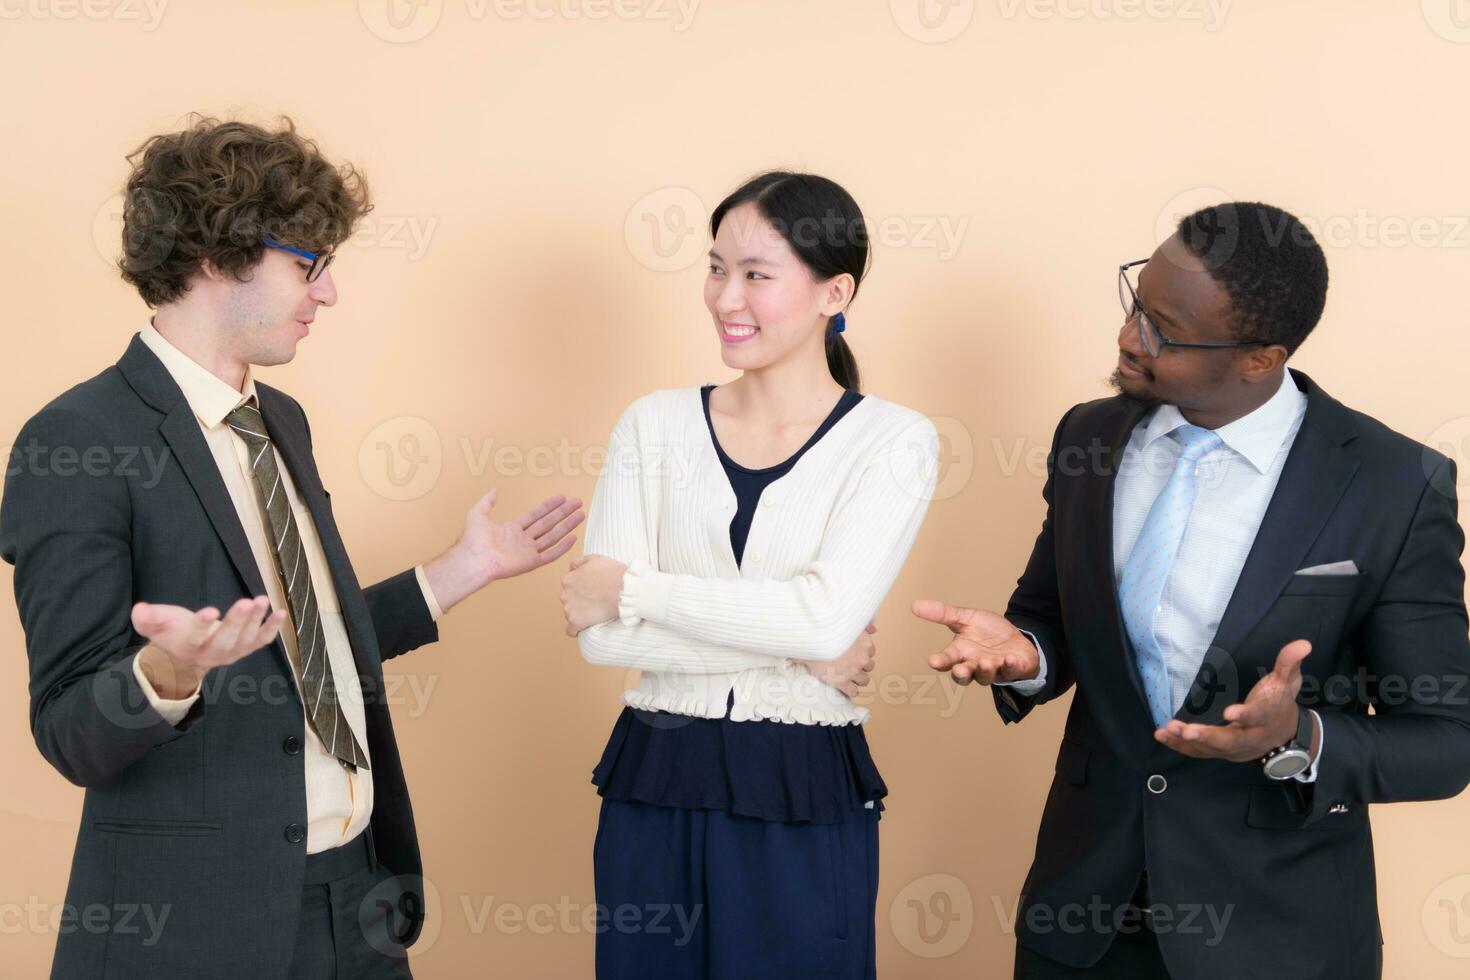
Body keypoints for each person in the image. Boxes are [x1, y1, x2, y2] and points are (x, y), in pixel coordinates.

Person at [0, 115, 584, 979]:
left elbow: (302, 648)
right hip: (201, 923)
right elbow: (69, 733)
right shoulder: (74, 440)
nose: (328, 294)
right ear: (214, 254)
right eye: (307, 265)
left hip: (361, 899)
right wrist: (167, 675)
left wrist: (457, 573)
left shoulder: (282, 422)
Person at [915, 201, 1470, 980]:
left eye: (1163, 330)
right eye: (1135, 301)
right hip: (1082, 923)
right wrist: (1026, 657)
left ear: (1259, 358)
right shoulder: (1090, 437)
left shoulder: (1393, 485)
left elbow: (1446, 743)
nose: (1127, 337)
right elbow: (1051, 620)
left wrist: (1296, 736)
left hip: (1277, 938)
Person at [560, 171, 940, 978]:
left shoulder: (894, 443)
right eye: (716, 267)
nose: (726, 297)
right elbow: (600, 643)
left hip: (799, 786)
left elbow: (824, 621)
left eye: (757, 275)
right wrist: (793, 647)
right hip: (655, 772)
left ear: (834, 291)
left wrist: (632, 590)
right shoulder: (653, 424)